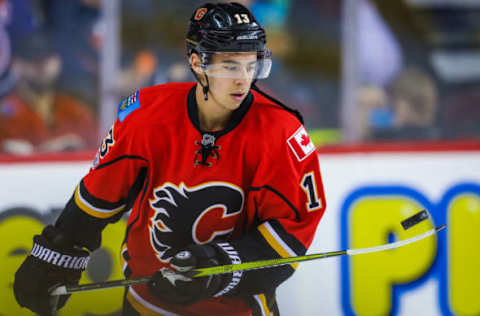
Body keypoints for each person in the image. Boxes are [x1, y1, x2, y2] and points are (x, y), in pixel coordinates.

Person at [13, 2, 326, 316]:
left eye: (251, 65)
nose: (244, 79)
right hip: (146, 305)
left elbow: (288, 240)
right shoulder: (147, 114)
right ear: (197, 62)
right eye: (230, 66)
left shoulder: (281, 133)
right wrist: (59, 251)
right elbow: (100, 194)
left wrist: (218, 268)